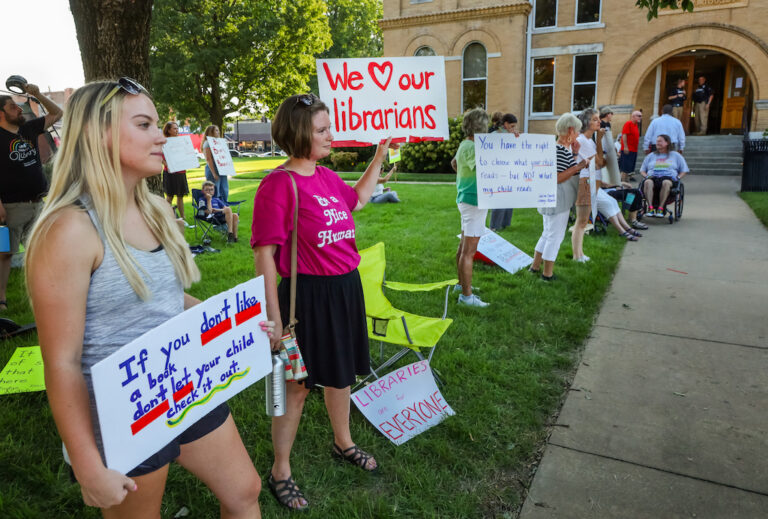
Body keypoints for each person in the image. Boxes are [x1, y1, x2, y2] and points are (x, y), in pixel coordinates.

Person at [24, 79, 272, 517]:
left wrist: (238, 323)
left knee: (245, 491)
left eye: (157, 123)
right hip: (123, 412)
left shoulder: (156, 210)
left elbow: (168, 300)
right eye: (144, 124)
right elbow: (61, 362)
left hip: (186, 382)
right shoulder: (68, 231)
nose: (161, 135)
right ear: (95, 134)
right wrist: (86, 464)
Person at [251, 93, 394, 511]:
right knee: (296, 388)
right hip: (305, 300)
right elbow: (264, 256)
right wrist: (275, 322)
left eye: (328, 127)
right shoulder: (278, 185)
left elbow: (360, 199)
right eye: (321, 130)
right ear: (298, 134)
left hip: (345, 290)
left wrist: (379, 155)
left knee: (341, 374)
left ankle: (342, 442)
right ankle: (280, 470)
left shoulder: (326, 177)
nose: (331, 135)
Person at [0, 82, 62, 312]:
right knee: (5, 254)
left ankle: (48, 292)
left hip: (37, 204)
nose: (18, 109)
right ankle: (2, 300)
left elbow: (58, 113)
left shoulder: (29, 128)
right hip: (10, 206)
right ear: (1, 113)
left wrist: (37, 95)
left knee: (42, 251)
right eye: (12, 106)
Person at [529, 113, 588, 281]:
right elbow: (557, 177)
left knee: (547, 233)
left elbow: (564, 168)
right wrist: (579, 166)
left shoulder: (557, 148)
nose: (577, 135)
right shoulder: (560, 150)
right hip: (558, 199)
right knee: (555, 236)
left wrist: (575, 155)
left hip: (549, 198)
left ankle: (535, 266)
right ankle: (547, 274)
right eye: (577, 131)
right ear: (570, 130)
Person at [451, 108, 491, 307]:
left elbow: (454, 164)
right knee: (469, 251)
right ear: (481, 126)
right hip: (474, 201)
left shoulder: (465, 145)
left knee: (464, 246)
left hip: (468, 199)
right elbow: (485, 165)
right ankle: (466, 297)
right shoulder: (472, 147)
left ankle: (461, 285)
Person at [572, 108, 603, 263]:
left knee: (584, 221)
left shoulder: (589, 140)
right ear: (586, 123)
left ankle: (580, 253)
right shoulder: (583, 141)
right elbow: (599, 163)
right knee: (582, 220)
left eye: (598, 118)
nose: (599, 121)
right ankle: (577, 255)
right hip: (584, 181)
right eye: (595, 119)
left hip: (589, 181)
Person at [640, 134, 689, 217]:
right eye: (657, 141)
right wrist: (646, 176)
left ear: (667, 143)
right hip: (653, 177)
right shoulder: (651, 156)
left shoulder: (676, 155)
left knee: (666, 182)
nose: (657, 143)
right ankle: (651, 208)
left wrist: (678, 178)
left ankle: (660, 208)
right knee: (647, 182)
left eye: (660, 141)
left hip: (669, 178)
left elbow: (684, 170)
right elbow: (642, 170)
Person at [489, 113, 519, 232]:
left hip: (509, 170)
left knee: (509, 197)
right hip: (497, 171)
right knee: (500, 197)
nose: (513, 128)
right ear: (505, 124)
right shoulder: (494, 135)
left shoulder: (511, 135)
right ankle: (495, 225)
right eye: (511, 126)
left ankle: (505, 223)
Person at [161, 121, 190, 224]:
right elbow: (160, 157)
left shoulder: (182, 141)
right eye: (174, 128)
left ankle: (183, 217)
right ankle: (165, 216)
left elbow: (186, 154)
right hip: (169, 172)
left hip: (181, 171)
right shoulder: (164, 142)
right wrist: (167, 164)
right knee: (169, 196)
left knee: (180, 195)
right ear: (168, 130)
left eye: (177, 128)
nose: (177, 130)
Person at [203, 124, 228, 203]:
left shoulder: (220, 142)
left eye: (218, 130)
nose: (219, 132)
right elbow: (209, 159)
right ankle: (214, 207)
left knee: (224, 189)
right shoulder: (207, 143)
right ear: (211, 132)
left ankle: (224, 206)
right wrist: (214, 173)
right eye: (216, 130)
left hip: (221, 167)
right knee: (214, 190)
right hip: (212, 168)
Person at [598, 106, 621, 186]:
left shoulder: (608, 124)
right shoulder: (600, 123)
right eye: (611, 114)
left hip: (608, 150)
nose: (612, 116)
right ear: (608, 114)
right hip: (602, 150)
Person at [619, 110, 642, 181]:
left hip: (633, 150)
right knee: (625, 169)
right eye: (639, 116)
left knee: (629, 169)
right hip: (628, 149)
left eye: (641, 116)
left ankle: (625, 182)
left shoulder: (635, 125)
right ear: (633, 116)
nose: (640, 118)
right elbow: (624, 135)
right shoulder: (628, 123)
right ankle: (622, 183)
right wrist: (625, 146)